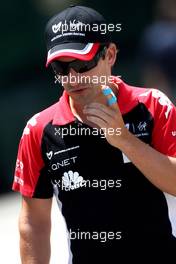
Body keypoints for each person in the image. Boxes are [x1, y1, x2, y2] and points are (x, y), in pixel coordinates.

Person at [12, 5, 176, 264]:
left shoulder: (153, 104)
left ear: (109, 55)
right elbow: (34, 221)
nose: (73, 78)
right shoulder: (39, 129)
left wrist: (124, 140)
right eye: (61, 69)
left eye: (82, 63)